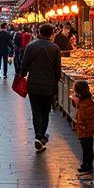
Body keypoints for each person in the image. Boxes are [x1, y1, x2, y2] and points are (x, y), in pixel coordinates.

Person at [18, 22, 61, 152]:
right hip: (49, 84)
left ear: (39, 32)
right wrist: (56, 81)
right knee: (45, 111)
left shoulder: (31, 47)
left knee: (36, 111)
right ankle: (41, 135)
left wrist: (22, 75)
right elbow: (57, 70)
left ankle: (38, 135)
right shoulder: (55, 48)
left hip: (34, 84)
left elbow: (24, 66)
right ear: (51, 34)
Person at [71, 79, 94, 180]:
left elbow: (84, 118)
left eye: (75, 91)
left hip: (86, 130)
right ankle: (85, 165)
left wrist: (81, 127)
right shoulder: (84, 101)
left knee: (87, 148)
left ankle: (88, 166)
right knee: (85, 148)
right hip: (84, 129)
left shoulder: (86, 104)